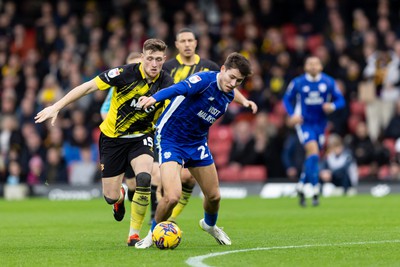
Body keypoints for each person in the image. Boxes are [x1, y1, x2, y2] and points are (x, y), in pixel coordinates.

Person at [35, 39, 174, 246]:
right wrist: (57, 106)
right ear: (143, 57)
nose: (154, 64)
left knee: (144, 178)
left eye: (159, 60)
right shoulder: (124, 74)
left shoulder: (166, 82)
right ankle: (119, 198)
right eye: (150, 59)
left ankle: (133, 234)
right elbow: (88, 87)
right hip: (113, 139)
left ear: (164, 60)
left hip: (142, 137)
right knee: (110, 196)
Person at [135, 52, 257, 249]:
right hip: (170, 139)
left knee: (214, 196)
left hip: (197, 143)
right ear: (223, 70)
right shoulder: (204, 80)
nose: (234, 83)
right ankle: (152, 233)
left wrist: (245, 102)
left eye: (239, 80)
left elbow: (234, 93)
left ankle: (209, 225)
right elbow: (178, 88)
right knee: (172, 196)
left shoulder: (229, 92)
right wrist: (153, 99)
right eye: (232, 77)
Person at [162, 28, 220, 223]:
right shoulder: (167, 67)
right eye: (182, 41)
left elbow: (226, 86)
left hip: (196, 131)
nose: (187, 44)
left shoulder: (209, 67)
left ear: (196, 43)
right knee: (167, 184)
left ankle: (170, 220)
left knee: (188, 178)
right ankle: (158, 219)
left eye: (190, 40)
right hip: (169, 130)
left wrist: (245, 101)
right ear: (176, 45)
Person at [100, 51, 162, 225]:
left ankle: (153, 218)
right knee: (131, 187)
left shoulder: (157, 84)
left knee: (152, 176)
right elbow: (104, 111)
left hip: (144, 136)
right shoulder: (119, 86)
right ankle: (119, 198)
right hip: (119, 140)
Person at [283, 56, 345, 207]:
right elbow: (286, 99)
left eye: (316, 63)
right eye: (309, 63)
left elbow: (341, 100)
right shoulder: (298, 82)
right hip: (304, 123)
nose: (313, 66)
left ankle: (302, 186)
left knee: (313, 157)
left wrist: (332, 106)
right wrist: (293, 115)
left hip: (321, 124)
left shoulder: (328, 82)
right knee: (314, 151)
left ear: (321, 67)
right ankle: (316, 189)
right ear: (305, 67)